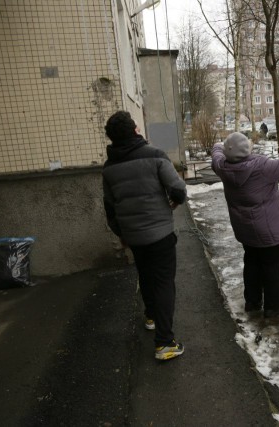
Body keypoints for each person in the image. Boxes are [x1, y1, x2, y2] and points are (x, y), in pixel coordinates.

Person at [102, 110, 187, 361]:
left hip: (134, 236)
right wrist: (175, 201)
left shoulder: (109, 167)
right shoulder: (155, 155)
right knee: (163, 283)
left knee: (146, 274)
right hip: (160, 233)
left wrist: (122, 233)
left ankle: (151, 315)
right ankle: (164, 343)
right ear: (134, 130)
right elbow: (178, 188)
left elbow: (109, 207)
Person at [211, 132, 279, 319]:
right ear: (246, 150)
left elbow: (216, 152)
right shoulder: (262, 167)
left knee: (251, 262)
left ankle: (252, 303)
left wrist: (221, 145)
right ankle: (273, 307)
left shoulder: (221, 166)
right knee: (270, 266)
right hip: (268, 229)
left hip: (244, 228)